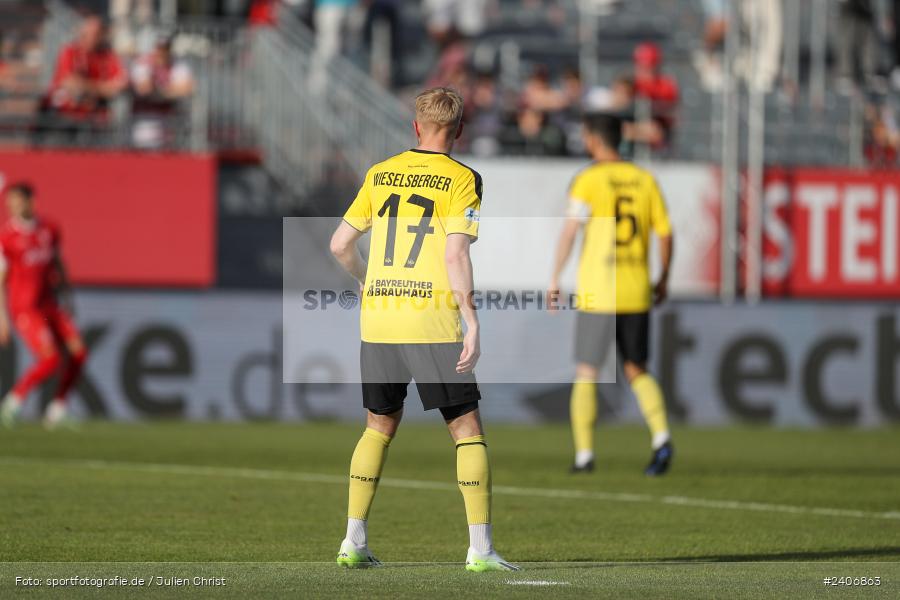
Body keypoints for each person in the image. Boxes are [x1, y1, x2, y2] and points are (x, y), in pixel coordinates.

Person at [329, 87, 518, 571]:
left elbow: (339, 244)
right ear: (459, 130)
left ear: (415, 126)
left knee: (377, 426)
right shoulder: (463, 178)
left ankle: (353, 541)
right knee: (466, 429)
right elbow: (456, 254)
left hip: (380, 317)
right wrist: (472, 320)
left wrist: (366, 279)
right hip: (430, 318)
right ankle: (481, 550)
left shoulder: (380, 172)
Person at [549, 114, 675, 476]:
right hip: (635, 289)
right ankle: (661, 437)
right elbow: (665, 233)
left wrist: (555, 277)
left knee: (587, 371)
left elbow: (571, 230)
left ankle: (584, 455)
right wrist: (663, 278)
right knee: (637, 368)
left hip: (599, 290)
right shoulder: (645, 179)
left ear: (592, 139)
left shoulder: (589, 179)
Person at [0, 183, 87, 429]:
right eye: (9, 202)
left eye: (17, 201)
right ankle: (13, 401)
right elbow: (1, 279)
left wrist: (68, 298)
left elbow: (58, 263)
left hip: (50, 305)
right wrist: (2, 318)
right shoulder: (6, 237)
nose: (12, 207)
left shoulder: (49, 229)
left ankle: (57, 409)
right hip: (25, 308)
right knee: (51, 359)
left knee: (79, 353)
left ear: (31, 202)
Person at [46, 15, 127, 121]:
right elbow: (70, 83)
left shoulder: (107, 56)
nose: (91, 37)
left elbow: (120, 84)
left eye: (96, 34)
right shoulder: (70, 52)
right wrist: (103, 89)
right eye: (87, 34)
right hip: (65, 117)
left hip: (96, 118)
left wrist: (86, 87)